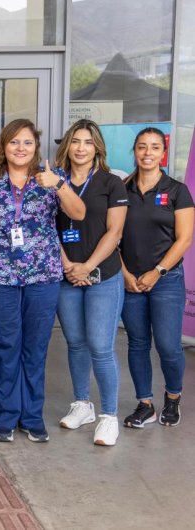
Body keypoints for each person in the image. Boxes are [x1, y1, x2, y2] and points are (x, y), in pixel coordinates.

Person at [0, 118, 85, 444]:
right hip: (0, 275)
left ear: (36, 147)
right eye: (14, 142)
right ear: (3, 147)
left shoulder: (53, 179)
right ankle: (7, 415)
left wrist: (58, 185)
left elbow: (78, 213)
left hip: (43, 275)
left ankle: (32, 417)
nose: (20, 148)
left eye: (27, 142)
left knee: (35, 348)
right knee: (6, 347)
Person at [53, 120, 128, 447]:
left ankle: (109, 416)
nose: (81, 148)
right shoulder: (54, 182)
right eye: (75, 141)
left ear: (97, 147)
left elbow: (115, 232)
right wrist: (69, 265)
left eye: (88, 142)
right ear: (67, 145)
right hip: (66, 273)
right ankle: (82, 404)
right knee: (76, 342)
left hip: (103, 275)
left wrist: (87, 266)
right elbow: (46, 227)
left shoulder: (112, 183)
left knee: (100, 345)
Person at [120, 127, 194, 429]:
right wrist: (125, 274)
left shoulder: (177, 190)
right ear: (134, 151)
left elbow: (184, 239)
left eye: (154, 147)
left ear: (163, 153)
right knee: (137, 344)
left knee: (167, 346)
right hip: (130, 282)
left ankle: (173, 397)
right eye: (141, 147)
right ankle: (145, 404)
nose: (147, 153)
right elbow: (113, 236)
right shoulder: (121, 189)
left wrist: (157, 272)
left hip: (165, 281)